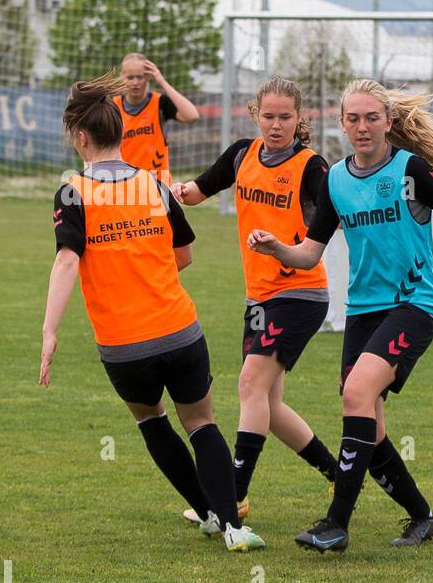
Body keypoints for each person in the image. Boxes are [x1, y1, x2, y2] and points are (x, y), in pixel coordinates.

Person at [247, 79, 433, 554]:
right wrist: (278, 248)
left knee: (356, 393)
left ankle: (336, 523)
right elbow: (310, 254)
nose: (363, 126)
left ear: (389, 122)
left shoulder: (410, 170)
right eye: (354, 118)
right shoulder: (336, 181)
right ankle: (422, 517)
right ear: (341, 122)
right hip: (363, 311)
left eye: (372, 117)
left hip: (413, 305)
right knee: (368, 421)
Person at [39, 71, 264, 553]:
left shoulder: (73, 191)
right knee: (201, 423)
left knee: (152, 421)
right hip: (180, 331)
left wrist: (49, 332)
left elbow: (67, 259)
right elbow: (183, 256)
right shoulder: (154, 187)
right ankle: (233, 527)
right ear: (121, 133)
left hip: (123, 345)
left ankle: (206, 514)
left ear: (80, 138)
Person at [170, 76, 336, 523]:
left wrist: (289, 243)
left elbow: (330, 219)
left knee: (248, 385)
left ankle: (234, 497)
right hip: (260, 297)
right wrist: (176, 191)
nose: (276, 125)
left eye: (286, 117)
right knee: (269, 402)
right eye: (269, 116)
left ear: (301, 119)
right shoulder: (243, 154)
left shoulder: (312, 166)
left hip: (300, 291)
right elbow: (199, 192)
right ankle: (338, 473)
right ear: (254, 114)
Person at [113, 53, 199, 185]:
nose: (135, 82)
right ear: (122, 77)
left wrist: (161, 81)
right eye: (130, 77)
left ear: (148, 77)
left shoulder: (160, 103)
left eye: (140, 77)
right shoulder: (113, 107)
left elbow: (192, 115)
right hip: (125, 184)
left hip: (157, 185)